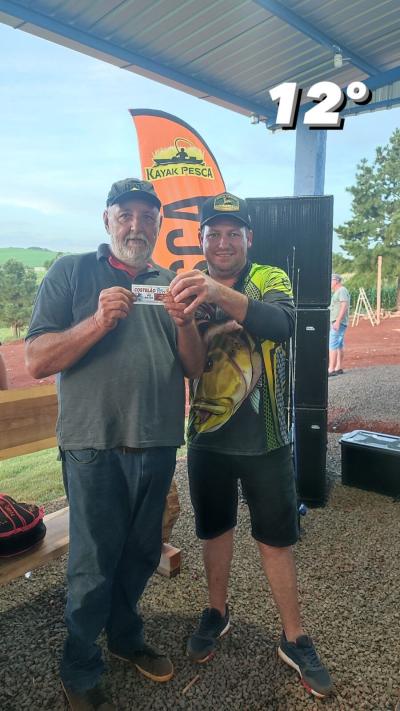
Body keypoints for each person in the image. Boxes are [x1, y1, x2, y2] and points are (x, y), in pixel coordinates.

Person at [25, 178, 204, 710]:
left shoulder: (170, 282)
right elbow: (37, 359)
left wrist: (187, 322)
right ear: (107, 221)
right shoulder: (72, 271)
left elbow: (192, 366)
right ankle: (79, 668)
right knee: (93, 563)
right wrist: (99, 322)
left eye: (147, 216)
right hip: (92, 444)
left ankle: (126, 638)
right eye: (125, 214)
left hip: (156, 443)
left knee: (141, 553)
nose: (136, 224)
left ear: (157, 226)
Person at [166, 192, 333, 700]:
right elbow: (193, 368)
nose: (222, 242)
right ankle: (217, 612)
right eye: (213, 233)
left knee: (275, 539)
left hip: (268, 440)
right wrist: (183, 324)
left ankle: (295, 636)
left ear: (248, 239)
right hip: (209, 439)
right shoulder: (187, 287)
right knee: (214, 530)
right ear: (201, 239)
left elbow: (280, 326)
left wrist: (218, 293)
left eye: (232, 233)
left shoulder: (270, 279)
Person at [329, 273, 350, 376]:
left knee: (332, 344)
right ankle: (338, 367)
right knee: (339, 345)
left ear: (336, 280)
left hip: (339, 322)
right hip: (338, 322)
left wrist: (337, 321)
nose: (329, 283)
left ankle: (331, 369)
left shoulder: (342, 290)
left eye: (331, 280)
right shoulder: (338, 291)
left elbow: (344, 305)